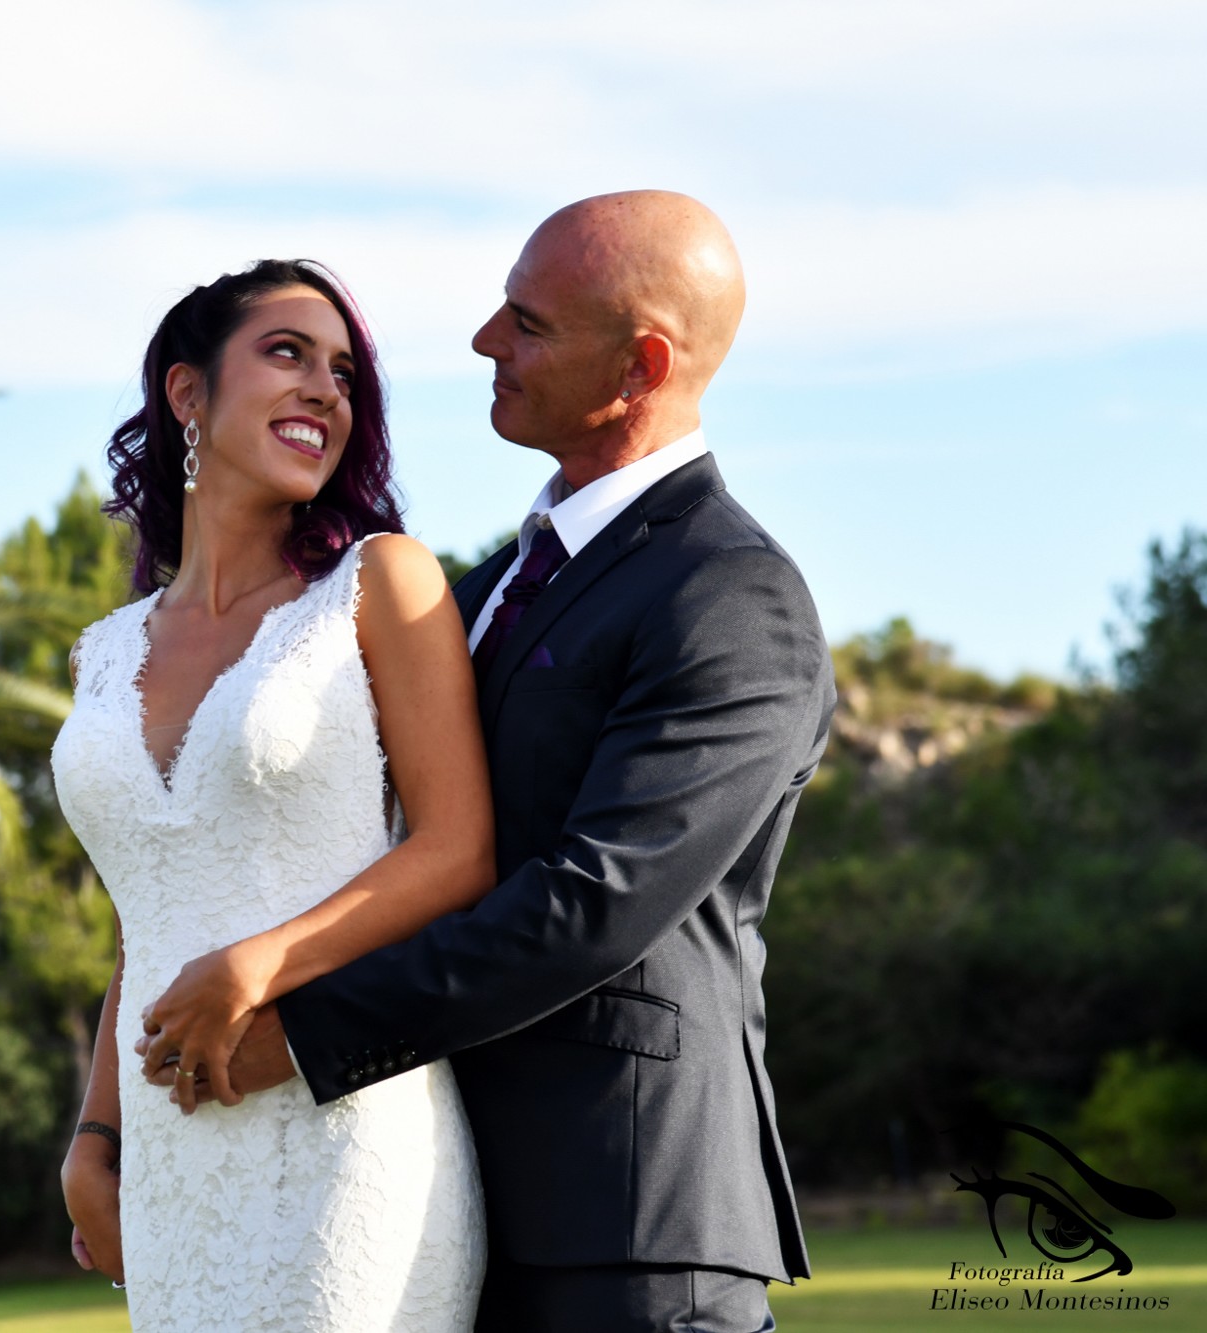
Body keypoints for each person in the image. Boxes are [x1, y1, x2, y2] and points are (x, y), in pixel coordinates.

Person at [137, 192, 835, 1332]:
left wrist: (301, 1036)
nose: (482, 343)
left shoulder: (732, 595)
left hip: (622, 1222)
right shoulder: (482, 589)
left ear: (638, 364)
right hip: (433, 1201)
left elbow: (592, 902)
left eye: (528, 322)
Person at [52, 259, 493, 1330]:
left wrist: (259, 963)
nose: (325, 391)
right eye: (287, 353)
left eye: (343, 373)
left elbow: (455, 850)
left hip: (340, 1127)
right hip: (170, 1153)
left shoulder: (379, 585)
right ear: (187, 393)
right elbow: (141, 915)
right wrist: (94, 1135)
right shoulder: (104, 653)